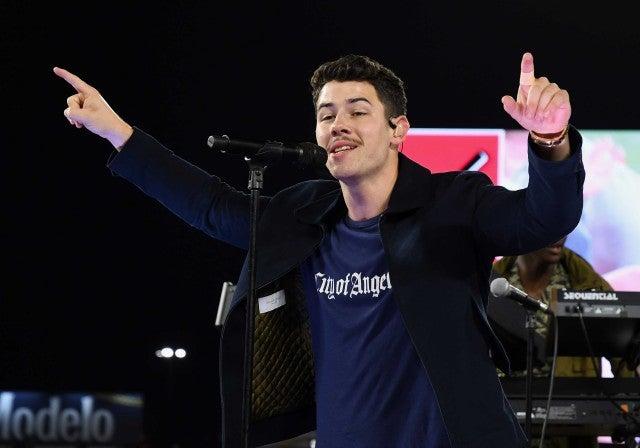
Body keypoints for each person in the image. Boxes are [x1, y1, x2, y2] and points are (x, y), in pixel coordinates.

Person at [54, 52, 584, 448]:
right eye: (327, 114)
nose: (339, 126)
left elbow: (545, 216)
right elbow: (212, 205)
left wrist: (551, 141)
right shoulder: (302, 215)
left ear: (399, 130)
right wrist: (118, 133)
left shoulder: (454, 203)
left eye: (358, 111)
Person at [489, 236, 638, 448]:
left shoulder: (588, 285)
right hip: (500, 427)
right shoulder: (492, 284)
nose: (560, 236)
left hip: (570, 438)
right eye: (551, 227)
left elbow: (625, 355)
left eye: (564, 227)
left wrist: (632, 413)